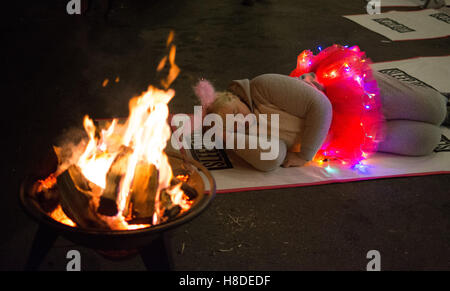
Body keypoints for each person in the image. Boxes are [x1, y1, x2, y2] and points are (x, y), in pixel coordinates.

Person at [194, 69, 447, 172]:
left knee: (436, 109)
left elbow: (321, 105)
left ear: (235, 97)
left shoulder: (262, 86)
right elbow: (272, 159)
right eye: (234, 126)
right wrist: (230, 136)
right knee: (427, 141)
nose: (242, 121)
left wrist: (305, 154)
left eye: (237, 113)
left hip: (355, 96)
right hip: (351, 134)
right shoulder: (250, 135)